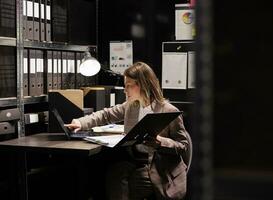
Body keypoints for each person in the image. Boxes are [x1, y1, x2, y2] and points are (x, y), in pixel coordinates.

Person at [66, 61, 189, 200]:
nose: (125, 90)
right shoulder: (131, 105)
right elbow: (106, 114)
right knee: (107, 174)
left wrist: (161, 142)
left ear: (143, 85)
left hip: (158, 165)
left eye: (129, 86)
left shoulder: (168, 110)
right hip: (133, 160)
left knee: (127, 184)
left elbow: (183, 146)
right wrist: (80, 122)